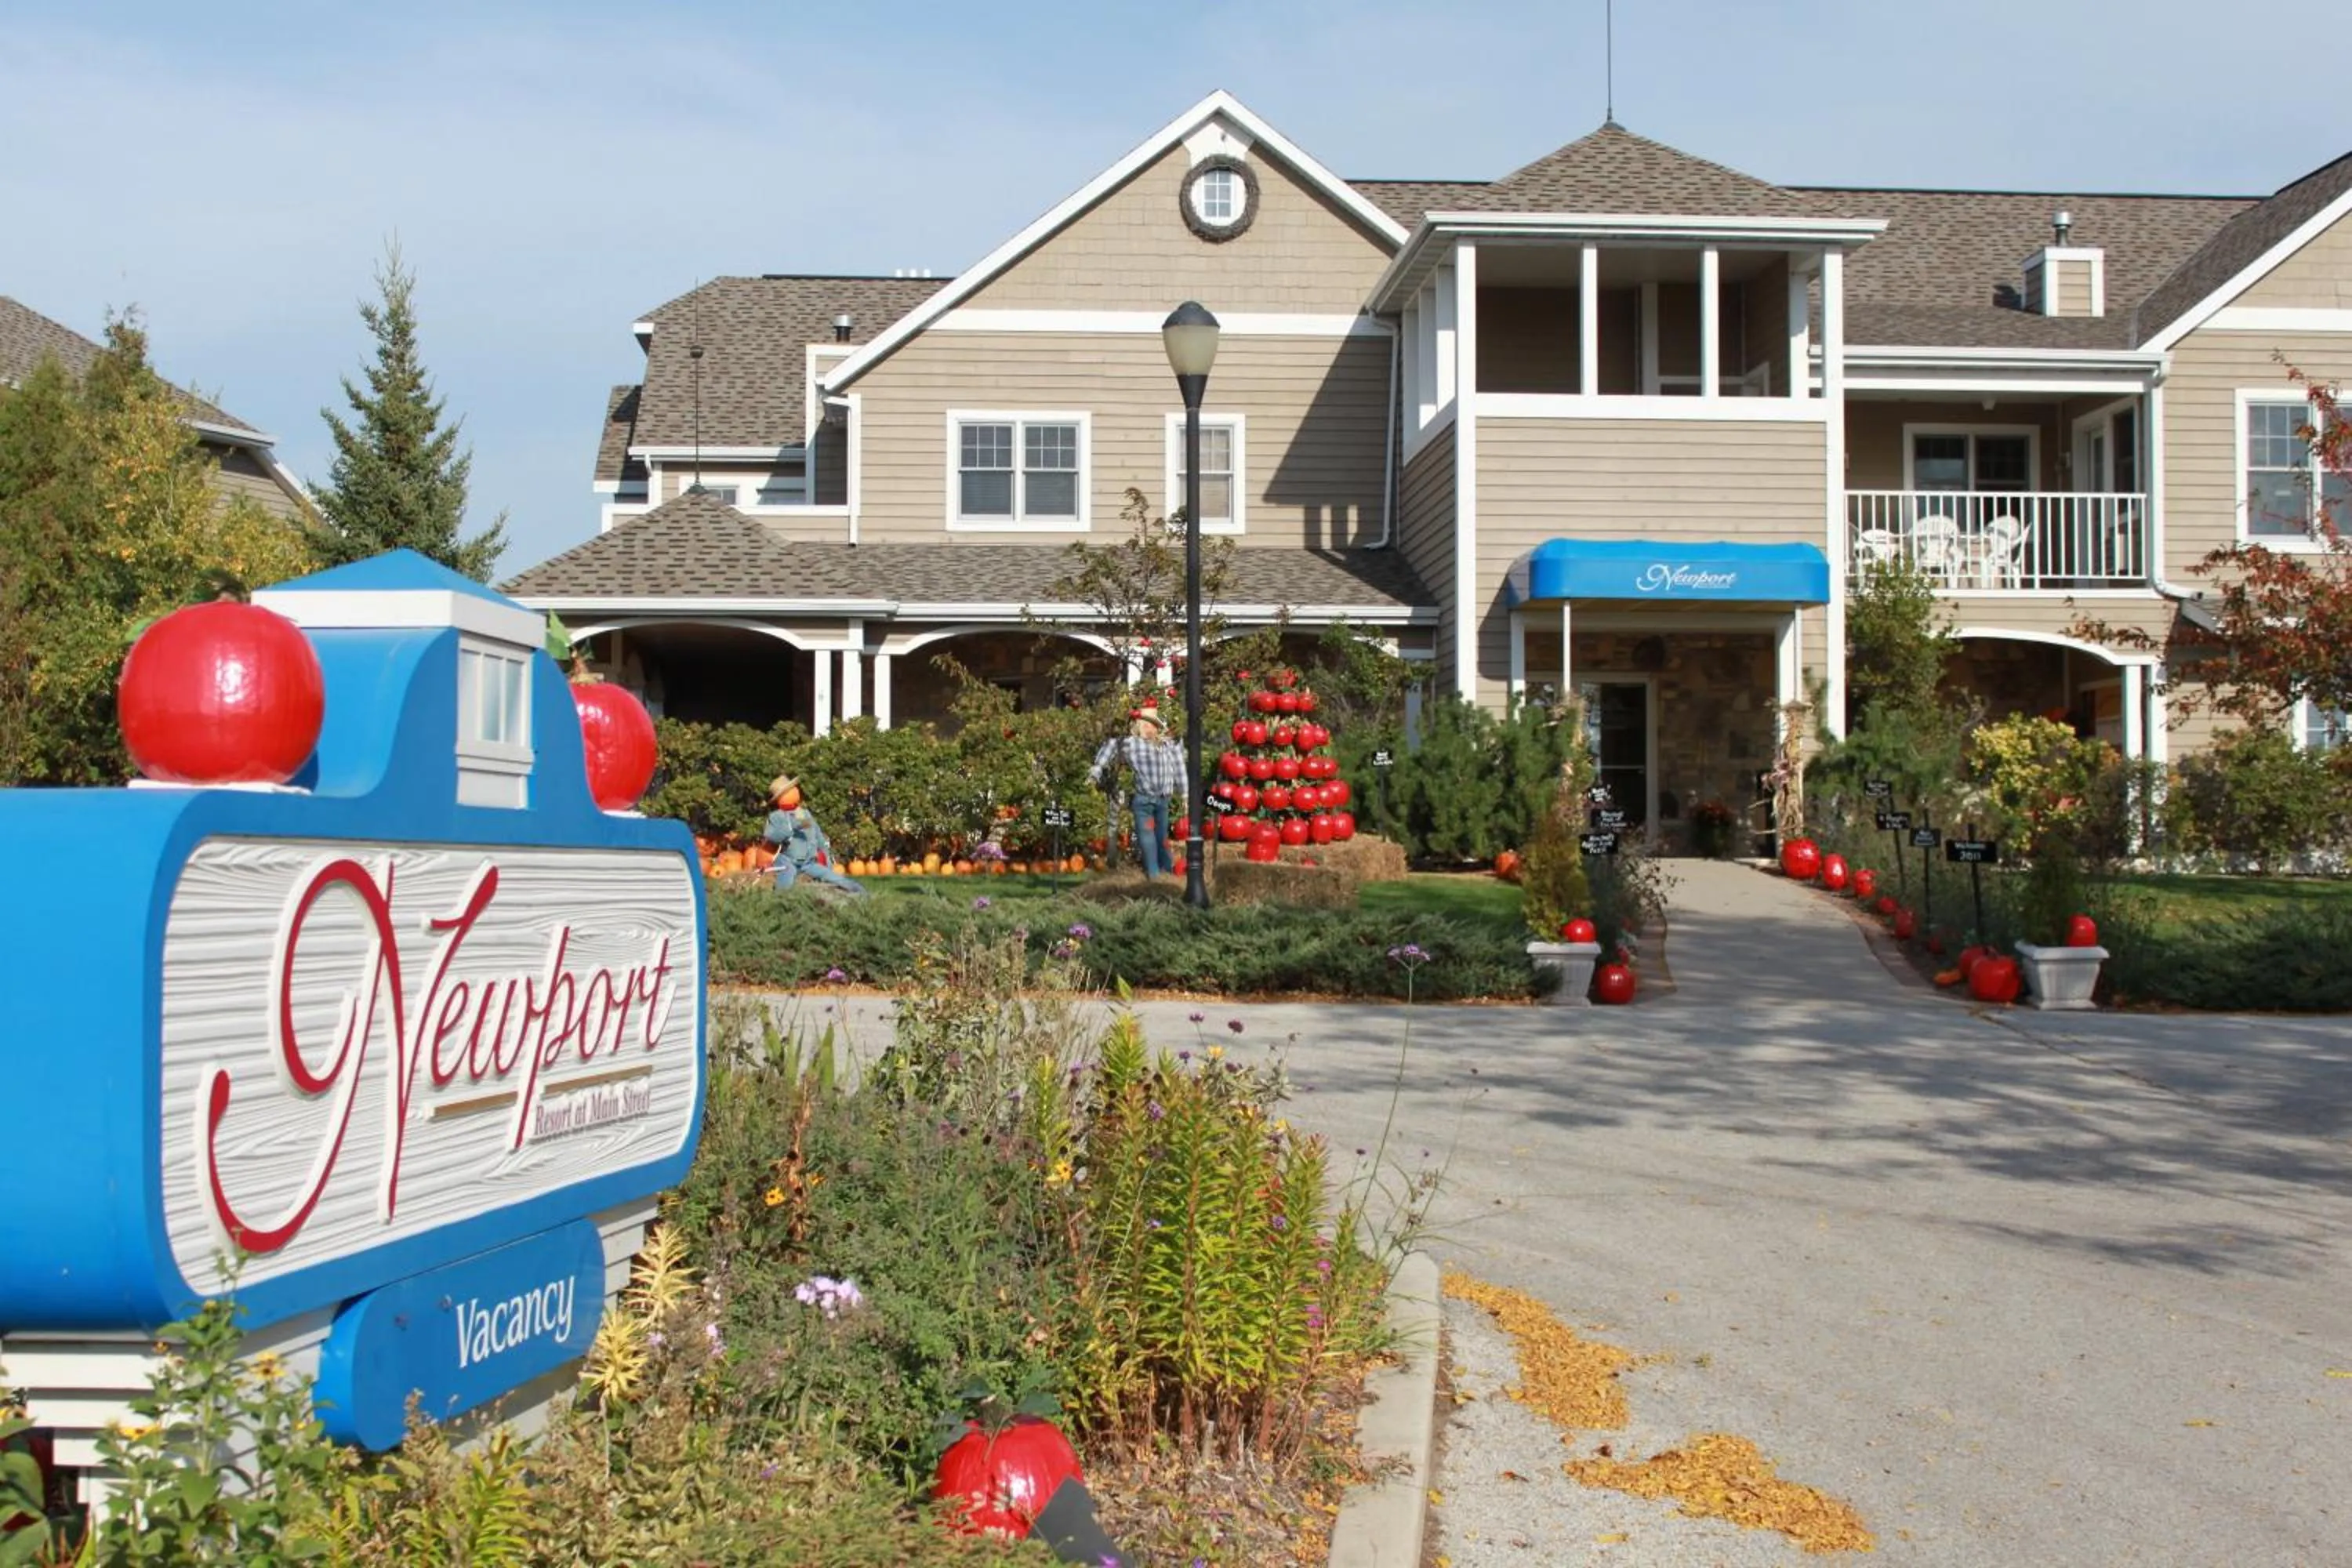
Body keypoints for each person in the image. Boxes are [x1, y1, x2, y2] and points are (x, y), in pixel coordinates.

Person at [1087, 702, 1185, 880]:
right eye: (1146, 725)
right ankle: (1154, 877)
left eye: (1154, 725)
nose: (1150, 729)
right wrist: (1097, 769)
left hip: (1163, 800)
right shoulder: (1132, 744)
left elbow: (1178, 767)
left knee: (1162, 838)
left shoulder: (1165, 745)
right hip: (1144, 800)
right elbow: (1111, 746)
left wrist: (1184, 792)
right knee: (1147, 839)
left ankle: (1168, 875)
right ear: (1138, 727)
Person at [763, 775, 866, 895]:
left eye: (793, 789)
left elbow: (814, 833)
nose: (795, 792)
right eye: (788, 791)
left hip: (808, 863)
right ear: (779, 798)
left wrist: (826, 856)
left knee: (835, 878)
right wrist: (789, 829)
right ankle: (780, 900)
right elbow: (773, 838)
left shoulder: (801, 814)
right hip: (788, 861)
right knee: (787, 877)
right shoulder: (777, 816)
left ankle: (863, 896)